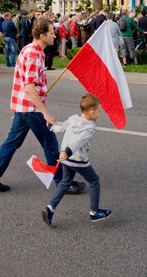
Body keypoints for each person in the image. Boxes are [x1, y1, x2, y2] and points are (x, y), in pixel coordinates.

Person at [0, 17, 85, 195]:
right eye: (52, 33)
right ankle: (63, 182)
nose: (55, 36)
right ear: (42, 35)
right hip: (31, 109)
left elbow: (31, 84)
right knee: (51, 145)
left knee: (12, 142)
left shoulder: (31, 50)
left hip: (23, 107)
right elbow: (29, 87)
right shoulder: (34, 54)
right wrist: (45, 113)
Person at [42, 94, 111, 226]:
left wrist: (50, 126)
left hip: (66, 160)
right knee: (94, 181)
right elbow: (79, 142)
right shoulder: (90, 127)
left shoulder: (73, 118)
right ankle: (94, 212)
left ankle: (50, 208)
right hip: (77, 160)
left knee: (65, 182)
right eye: (99, 111)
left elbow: (61, 128)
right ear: (91, 112)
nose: (99, 114)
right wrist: (68, 152)